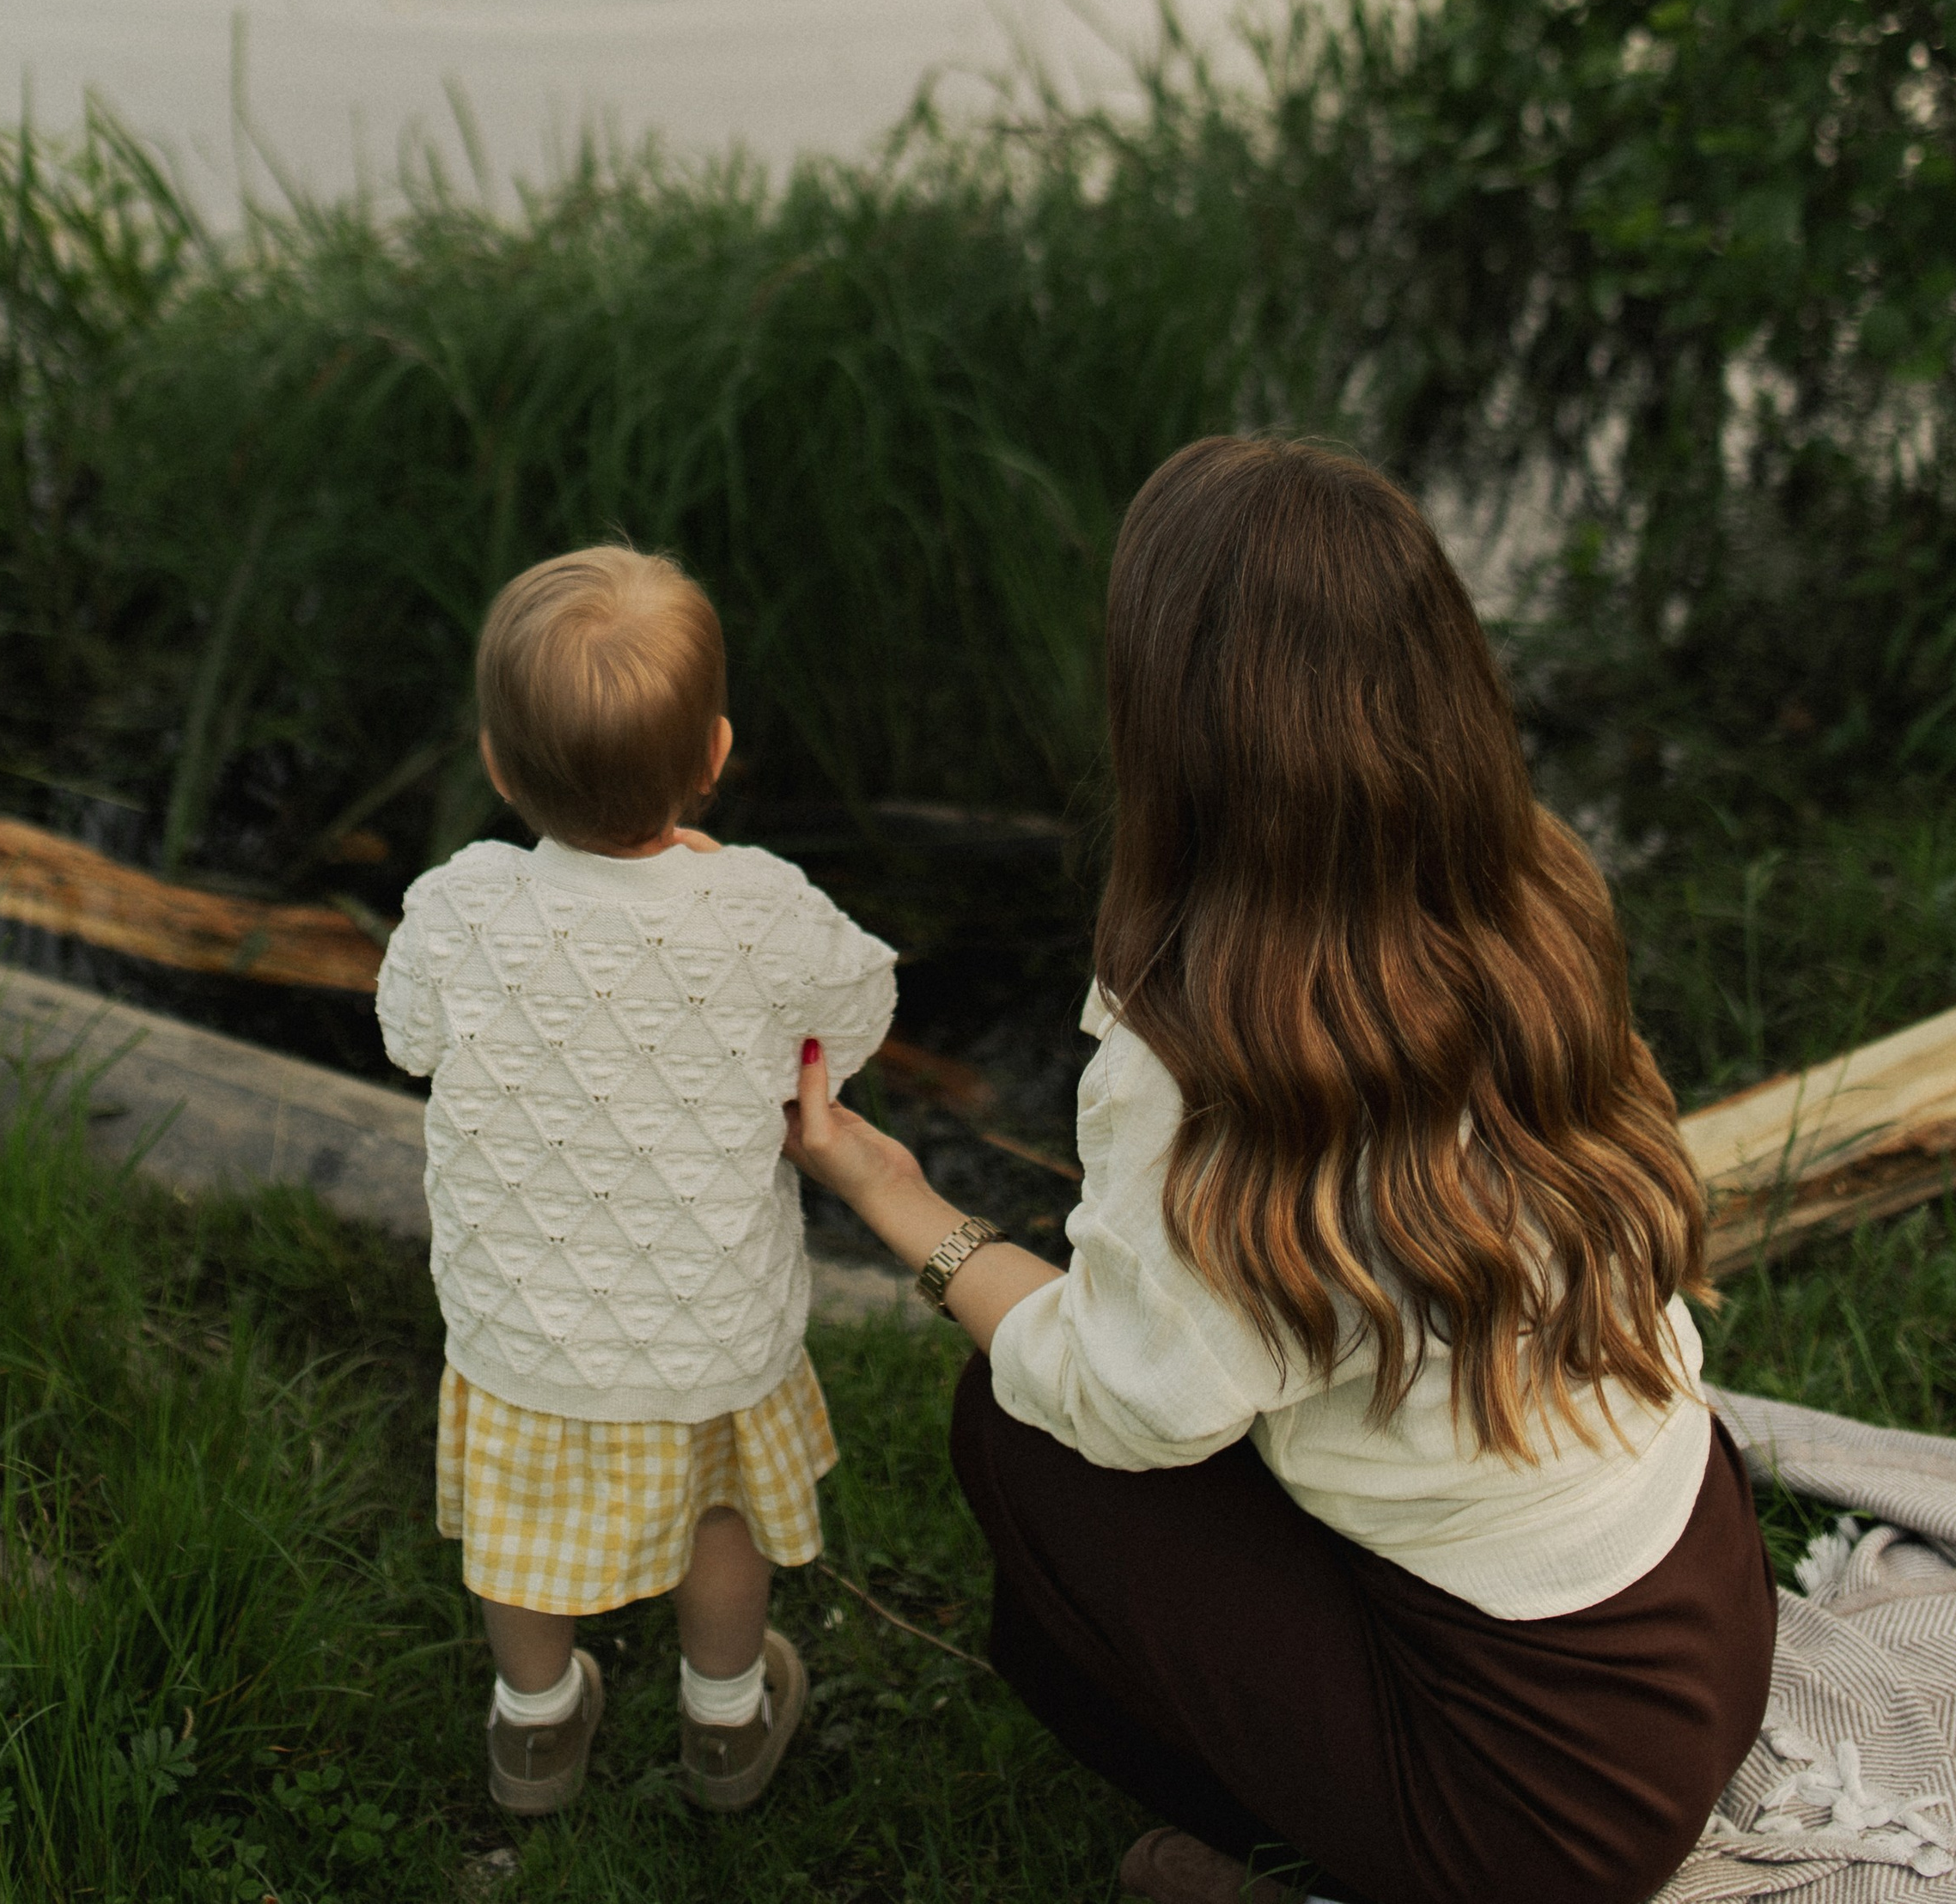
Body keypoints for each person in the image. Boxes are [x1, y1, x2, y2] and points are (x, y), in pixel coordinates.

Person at [783, 436, 1776, 1904]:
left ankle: (1328, 1872)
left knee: (1025, 1430)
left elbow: (1123, 1400)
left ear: (1173, 728)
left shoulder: (1204, 1071)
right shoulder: (1533, 891)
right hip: (1702, 1621)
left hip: (1529, 1825)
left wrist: (905, 1209)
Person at [376, 542, 896, 1822]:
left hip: (523, 1328)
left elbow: (407, 1036)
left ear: (499, 767)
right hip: (710, 1325)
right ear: (714, 754)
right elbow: (863, 1012)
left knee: (519, 1533)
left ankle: (536, 1733)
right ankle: (725, 1724)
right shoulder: (763, 905)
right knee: (721, 1518)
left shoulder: (462, 904)